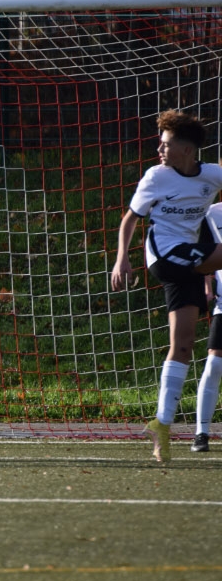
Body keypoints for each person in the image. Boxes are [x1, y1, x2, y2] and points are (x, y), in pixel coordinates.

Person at [111, 109, 222, 462]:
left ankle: (161, 424)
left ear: (187, 150)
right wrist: (122, 259)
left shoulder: (212, 176)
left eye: (166, 144)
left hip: (187, 265)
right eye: (160, 144)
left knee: (183, 345)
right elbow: (129, 220)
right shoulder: (156, 177)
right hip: (165, 254)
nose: (159, 149)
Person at [192, 202, 222, 452]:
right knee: (214, 364)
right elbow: (203, 254)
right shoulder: (212, 213)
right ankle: (201, 433)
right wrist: (207, 286)